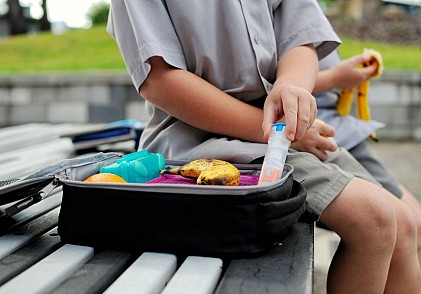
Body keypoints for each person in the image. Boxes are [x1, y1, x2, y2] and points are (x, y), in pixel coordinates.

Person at [107, 1, 421, 292]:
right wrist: (271, 129)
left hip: (287, 132)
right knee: (374, 219)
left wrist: (289, 90)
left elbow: (301, 41)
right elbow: (160, 81)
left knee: (405, 224)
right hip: (202, 144)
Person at [308, 49, 421, 265]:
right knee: (403, 227)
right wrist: (335, 78)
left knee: (412, 227)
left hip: (340, 132)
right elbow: (265, 89)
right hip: (323, 136)